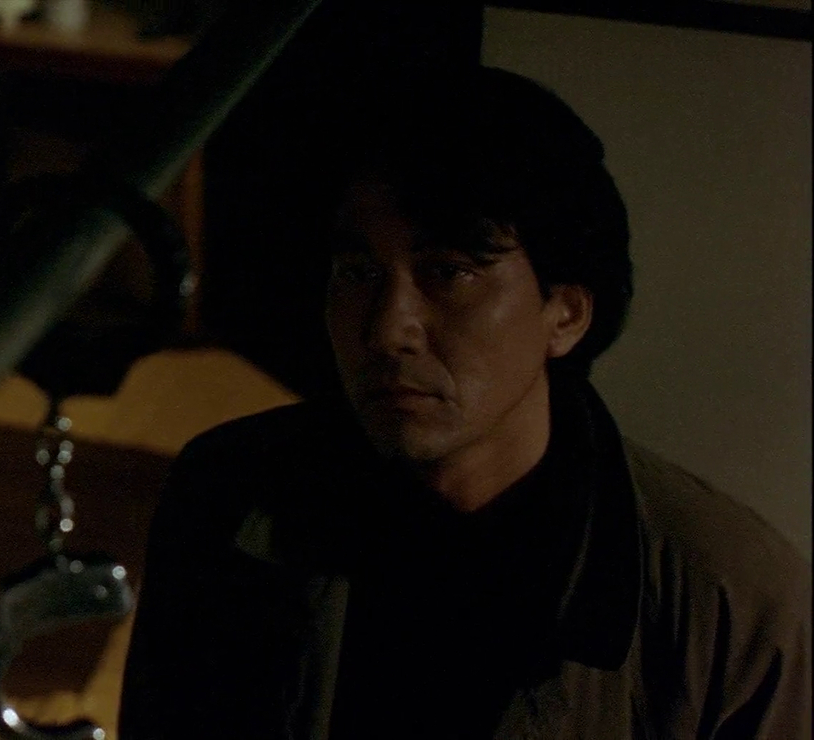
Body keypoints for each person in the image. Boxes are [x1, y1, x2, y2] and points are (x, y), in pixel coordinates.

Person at [117, 66, 811, 739]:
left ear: (565, 314)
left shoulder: (728, 598)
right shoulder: (229, 496)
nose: (387, 330)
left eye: (448, 273)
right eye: (357, 272)